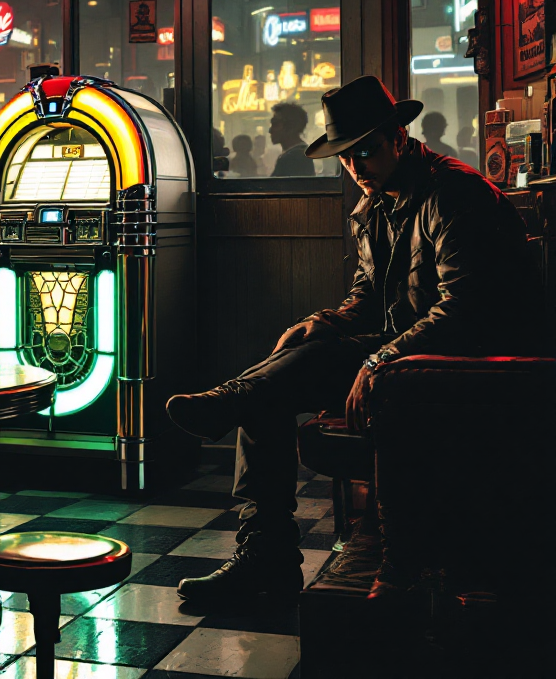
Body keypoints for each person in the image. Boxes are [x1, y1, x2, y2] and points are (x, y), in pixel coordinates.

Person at [166, 75, 540, 603]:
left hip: (465, 366)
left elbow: (466, 310)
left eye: (364, 150)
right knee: (279, 377)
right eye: (345, 157)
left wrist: (380, 358)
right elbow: (366, 295)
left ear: (399, 138)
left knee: (275, 383)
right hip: (406, 356)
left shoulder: (454, 193)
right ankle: (265, 555)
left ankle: (231, 408)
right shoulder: (374, 204)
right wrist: (327, 320)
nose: (355, 166)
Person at [269, 102, 315, 177]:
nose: (270, 130)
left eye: (275, 124)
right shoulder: (300, 154)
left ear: (291, 127)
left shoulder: (294, 158)